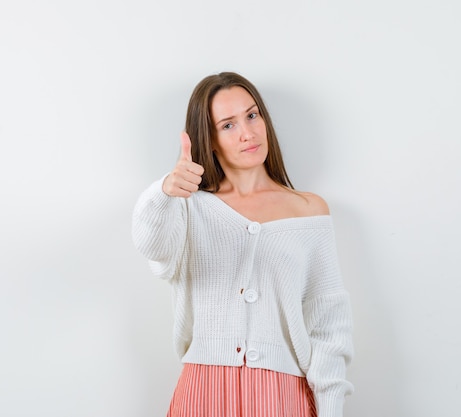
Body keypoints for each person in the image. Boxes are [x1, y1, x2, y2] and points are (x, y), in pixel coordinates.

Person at [132, 72, 353, 417]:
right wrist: (164, 190)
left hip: (282, 395)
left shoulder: (310, 211)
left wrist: (331, 408)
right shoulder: (189, 207)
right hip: (202, 392)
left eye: (252, 116)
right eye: (228, 125)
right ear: (210, 138)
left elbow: (328, 324)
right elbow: (152, 246)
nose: (247, 133)